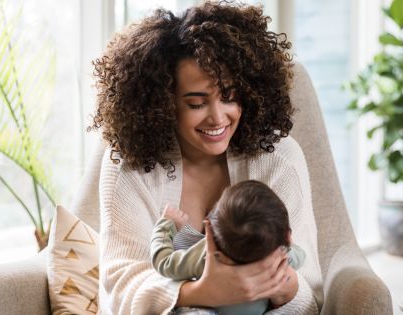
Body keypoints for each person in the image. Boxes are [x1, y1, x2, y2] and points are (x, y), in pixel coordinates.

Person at [92, 1, 323, 314]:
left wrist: (279, 287)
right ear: (162, 104)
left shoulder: (279, 159)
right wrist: (200, 293)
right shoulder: (128, 166)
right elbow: (118, 291)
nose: (218, 118)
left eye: (229, 96)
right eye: (196, 103)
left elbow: (310, 293)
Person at [150, 180, 307, 315]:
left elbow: (164, 263)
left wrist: (167, 223)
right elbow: (302, 255)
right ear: (287, 235)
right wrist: (286, 245)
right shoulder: (281, 259)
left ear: (211, 227)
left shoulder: (207, 255)